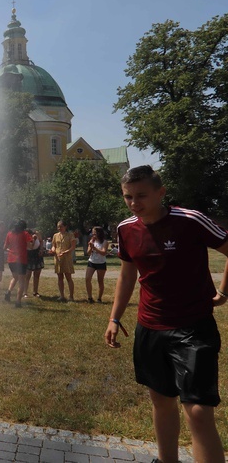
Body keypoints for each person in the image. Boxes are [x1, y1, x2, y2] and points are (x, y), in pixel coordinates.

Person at [105, 165, 228, 463]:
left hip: (193, 328)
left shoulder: (190, 220)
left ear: (161, 192)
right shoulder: (126, 229)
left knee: (198, 412)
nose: (135, 203)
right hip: (150, 327)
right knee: (161, 400)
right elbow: (127, 274)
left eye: (142, 196)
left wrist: (224, 292)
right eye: (128, 197)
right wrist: (114, 317)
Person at [3, 219, 33, 308]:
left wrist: (11, 251)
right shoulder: (25, 234)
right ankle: (18, 301)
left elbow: (4, 247)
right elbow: (30, 246)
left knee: (15, 277)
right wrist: (33, 240)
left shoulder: (9, 234)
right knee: (21, 281)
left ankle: (8, 292)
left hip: (11, 260)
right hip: (21, 259)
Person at [50, 220, 76, 302]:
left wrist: (65, 252)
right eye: (58, 226)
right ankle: (62, 296)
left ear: (65, 227)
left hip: (67, 258)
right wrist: (52, 250)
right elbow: (54, 246)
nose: (59, 228)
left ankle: (71, 296)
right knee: (60, 277)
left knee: (68, 277)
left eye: (61, 226)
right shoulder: (55, 235)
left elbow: (73, 247)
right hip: (58, 259)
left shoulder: (70, 235)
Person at [85, 226, 109, 303]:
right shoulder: (92, 241)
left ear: (99, 233)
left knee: (100, 281)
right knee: (87, 278)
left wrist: (94, 248)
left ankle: (99, 298)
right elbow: (88, 253)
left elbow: (103, 253)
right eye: (92, 233)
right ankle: (89, 297)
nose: (93, 235)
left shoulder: (105, 242)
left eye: (94, 233)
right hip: (91, 262)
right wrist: (90, 246)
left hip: (101, 263)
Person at [25, 230, 44, 298]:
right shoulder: (26, 235)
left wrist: (41, 249)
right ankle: (25, 292)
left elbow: (41, 241)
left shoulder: (37, 233)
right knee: (28, 275)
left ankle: (35, 292)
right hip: (29, 255)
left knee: (37, 274)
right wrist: (34, 239)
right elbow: (31, 246)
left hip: (37, 254)